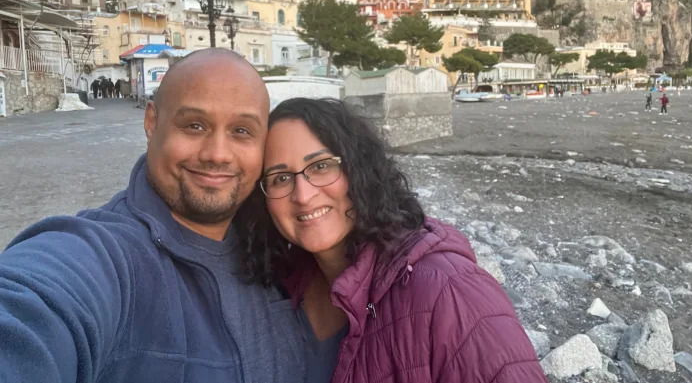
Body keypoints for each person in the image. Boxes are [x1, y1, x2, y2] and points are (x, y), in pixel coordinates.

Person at [0, 49, 305, 383]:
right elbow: (32, 308)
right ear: (151, 123)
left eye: (242, 131)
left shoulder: (278, 247)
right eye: (195, 125)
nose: (218, 154)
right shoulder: (106, 257)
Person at [238, 98, 546, 383]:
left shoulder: (450, 290)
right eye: (280, 178)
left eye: (320, 166)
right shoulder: (284, 287)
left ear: (358, 170)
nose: (303, 195)